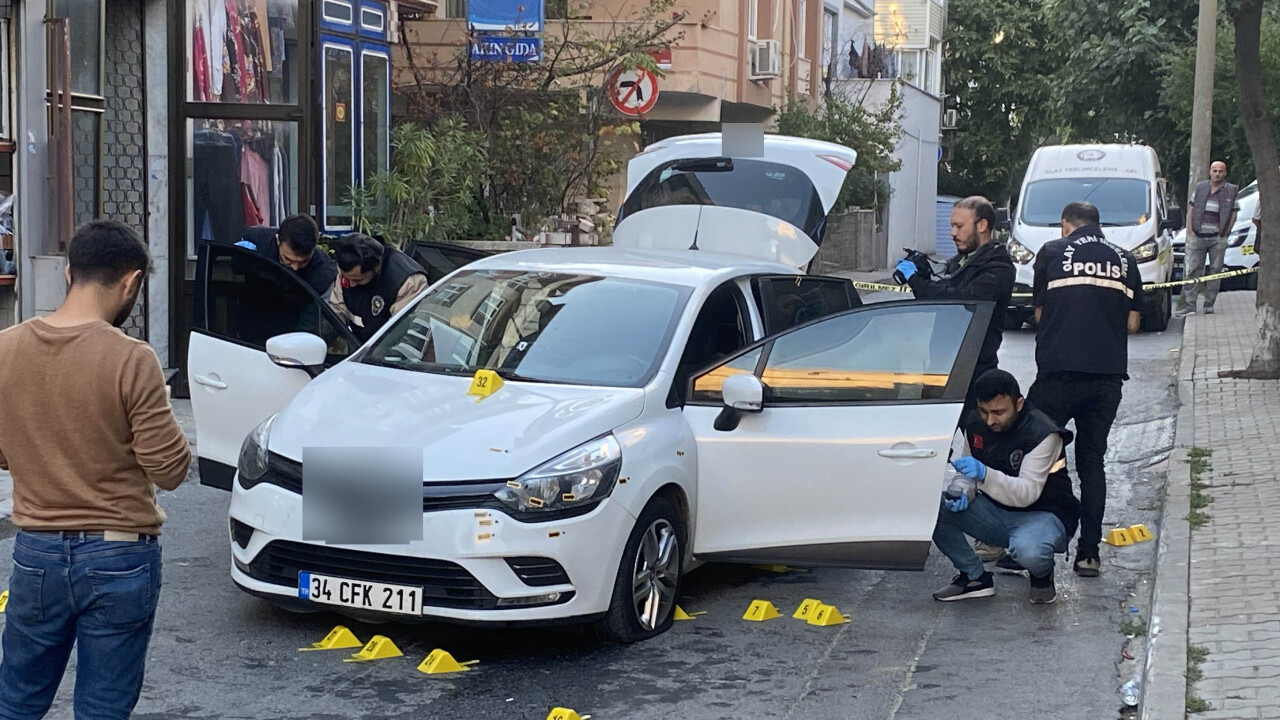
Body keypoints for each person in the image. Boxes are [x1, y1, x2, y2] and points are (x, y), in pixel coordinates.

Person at [0, 220, 191, 718]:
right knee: (103, 707)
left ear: (68, 273)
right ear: (131, 282)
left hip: (35, 551)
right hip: (119, 554)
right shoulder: (132, 359)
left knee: (15, 700)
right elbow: (168, 469)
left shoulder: (5, 349)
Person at [1014, 201, 1140, 578]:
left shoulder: (1052, 252)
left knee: (1037, 456)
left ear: (1065, 225)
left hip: (1058, 375)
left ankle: (1029, 541)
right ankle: (1089, 554)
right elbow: (1133, 323)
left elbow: (1038, 314)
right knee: (1092, 463)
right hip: (1106, 379)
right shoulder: (1125, 258)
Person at [931, 370, 1080, 604]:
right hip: (996, 513)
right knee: (933, 508)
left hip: (1044, 515)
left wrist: (984, 474)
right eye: (984, 411)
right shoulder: (975, 424)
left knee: (1029, 550)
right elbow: (966, 473)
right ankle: (974, 577)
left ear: (1019, 404)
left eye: (999, 412)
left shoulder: (1043, 433)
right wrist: (961, 490)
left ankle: (1041, 575)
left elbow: (1026, 493)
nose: (990, 420)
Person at [896, 195, 1016, 411]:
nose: (953, 233)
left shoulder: (998, 266)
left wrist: (916, 281)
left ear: (982, 225)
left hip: (974, 369)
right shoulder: (962, 261)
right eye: (952, 226)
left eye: (959, 226)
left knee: (977, 439)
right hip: (942, 365)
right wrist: (924, 275)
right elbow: (942, 291)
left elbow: (960, 298)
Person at [329, 232, 429, 343]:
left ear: (376, 267)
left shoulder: (408, 281)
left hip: (388, 348)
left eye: (357, 280)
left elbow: (404, 331)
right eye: (347, 278)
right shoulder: (348, 266)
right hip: (356, 342)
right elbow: (337, 310)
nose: (351, 284)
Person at [1179, 161, 1240, 315]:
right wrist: (1190, 230)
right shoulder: (1200, 187)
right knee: (1192, 270)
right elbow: (1191, 209)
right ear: (1209, 172)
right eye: (1214, 170)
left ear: (1225, 172)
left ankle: (1209, 304)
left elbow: (1234, 212)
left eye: (1220, 171)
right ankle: (1190, 306)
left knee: (1215, 271)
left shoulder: (1231, 190)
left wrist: (1226, 232)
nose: (1217, 173)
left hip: (1217, 238)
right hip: (1197, 236)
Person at [235, 213, 337, 297]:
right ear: (278, 240)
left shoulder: (324, 274)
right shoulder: (257, 242)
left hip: (298, 316)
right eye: (288, 259)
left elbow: (316, 316)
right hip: (253, 310)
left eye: (304, 261)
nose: (295, 267)